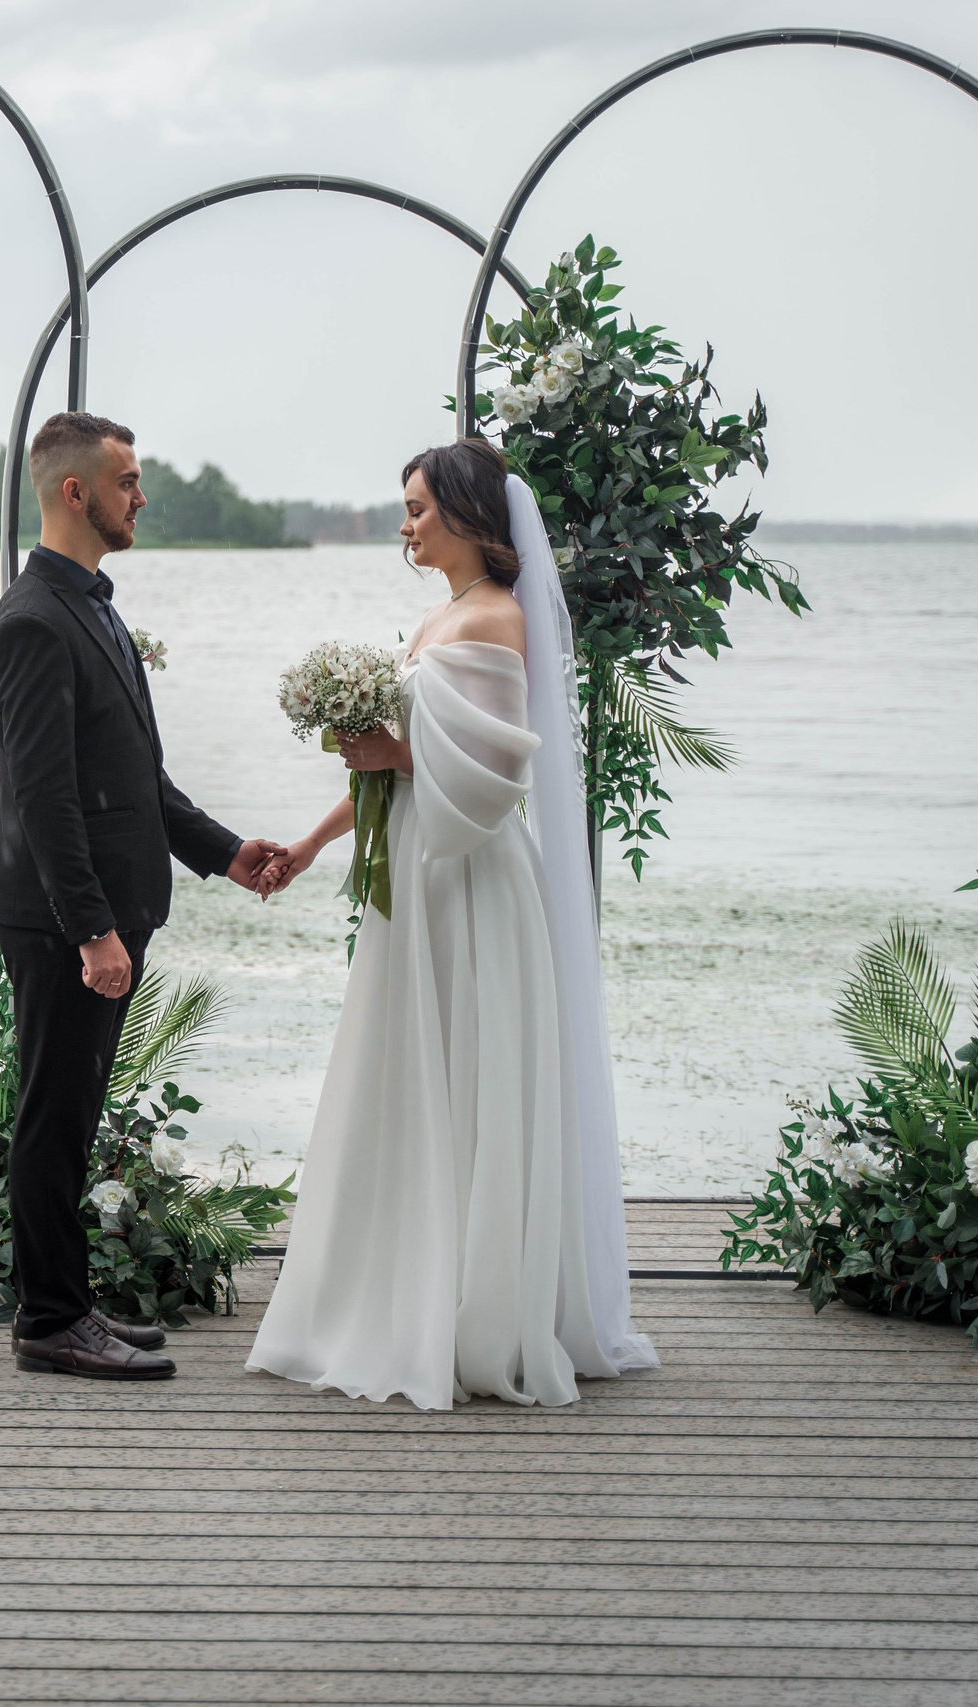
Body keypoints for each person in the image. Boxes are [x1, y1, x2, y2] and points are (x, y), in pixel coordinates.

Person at [246, 437, 658, 1409]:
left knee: (468, 1081)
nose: (406, 524)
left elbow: (489, 780)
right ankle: (396, 1288)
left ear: (472, 516)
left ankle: (471, 1307)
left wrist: (389, 747)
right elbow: (398, 764)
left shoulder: (499, 619)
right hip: (415, 876)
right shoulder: (437, 620)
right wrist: (309, 847)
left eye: (421, 506)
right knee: (405, 1079)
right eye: (406, 507)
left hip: (468, 877)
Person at [0, 411, 285, 1380]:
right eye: (127, 481)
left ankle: (60, 1302)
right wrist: (91, 930)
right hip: (66, 921)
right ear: (75, 492)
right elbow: (46, 798)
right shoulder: (33, 622)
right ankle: (50, 1321)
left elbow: (133, 781)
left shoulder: (93, 606)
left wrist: (226, 852)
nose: (140, 497)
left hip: (107, 910)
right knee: (53, 1115)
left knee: (71, 1112)